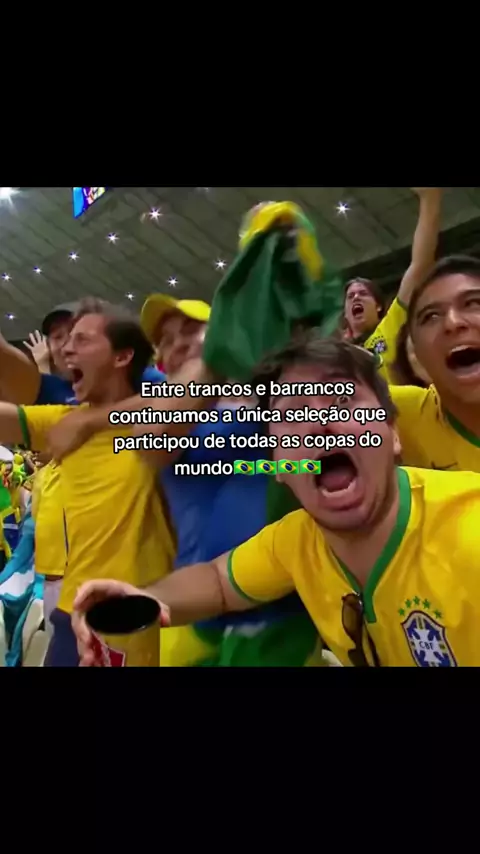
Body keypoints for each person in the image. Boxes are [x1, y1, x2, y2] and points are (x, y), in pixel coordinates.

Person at [73, 333, 480, 667]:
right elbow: (217, 582)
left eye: (342, 400)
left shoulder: (468, 532)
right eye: (293, 412)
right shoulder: (298, 541)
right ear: (279, 465)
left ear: (392, 434)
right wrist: (142, 599)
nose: (319, 421)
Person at [0, 301, 223, 665]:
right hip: (74, 611)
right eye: (66, 340)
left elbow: (185, 391)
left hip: (142, 614)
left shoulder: (178, 413)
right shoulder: (63, 418)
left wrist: (93, 421)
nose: (66, 349)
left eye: (82, 340)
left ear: (123, 357)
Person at [390, 254, 480, 470]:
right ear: (416, 355)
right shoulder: (399, 412)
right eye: (430, 316)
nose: (453, 322)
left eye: (473, 303)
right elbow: (307, 466)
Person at [343, 188, 442, 379]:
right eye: (350, 296)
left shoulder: (391, 326)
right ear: (345, 314)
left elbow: (420, 264)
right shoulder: (334, 357)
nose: (356, 297)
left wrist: (430, 199)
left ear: (378, 306)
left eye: (363, 293)